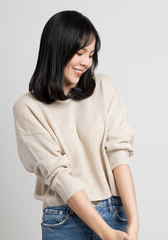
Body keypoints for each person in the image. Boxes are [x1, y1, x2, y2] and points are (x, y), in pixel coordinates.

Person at [12, 10, 139, 240]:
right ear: (56, 49)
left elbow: (119, 153)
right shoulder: (28, 108)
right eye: (79, 53)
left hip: (115, 212)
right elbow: (58, 176)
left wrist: (134, 222)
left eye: (91, 54)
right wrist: (104, 232)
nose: (86, 62)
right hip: (64, 221)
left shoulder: (105, 88)